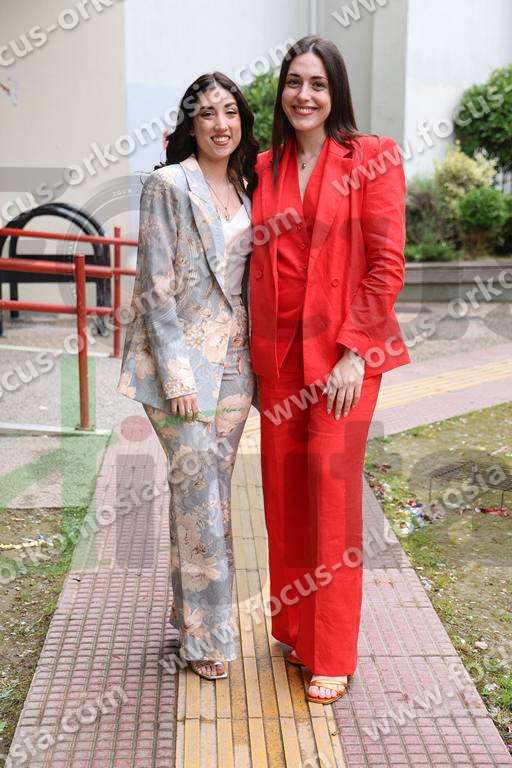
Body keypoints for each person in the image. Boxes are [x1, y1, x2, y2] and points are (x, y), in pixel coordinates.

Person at [249, 36, 410, 704]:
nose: (304, 95)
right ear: (281, 91)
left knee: (332, 502)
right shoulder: (264, 165)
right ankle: (295, 630)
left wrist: (355, 351)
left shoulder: (372, 156)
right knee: (284, 499)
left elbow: (386, 264)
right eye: (294, 82)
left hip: (345, 359)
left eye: (317, 83)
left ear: (336, 91)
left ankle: (333, 653)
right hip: (279, 360)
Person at [117, 71, 259, 680]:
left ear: (242, 121)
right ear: (190, 124)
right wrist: (179, 377)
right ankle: (207, 641)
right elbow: (154, 289)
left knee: (210, 497)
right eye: (207, 114)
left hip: (236, 365)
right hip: (179, 369)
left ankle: (190, 617)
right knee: (199, 494)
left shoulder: (250, 187)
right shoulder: (168, 184)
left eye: (230, 112)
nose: (221, 124)